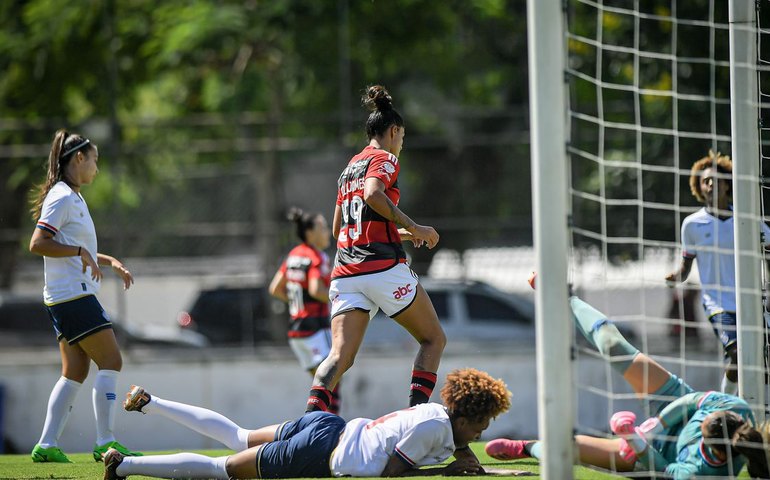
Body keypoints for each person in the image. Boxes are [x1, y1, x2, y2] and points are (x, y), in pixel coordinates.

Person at [486, 274, 769, 479]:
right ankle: (563, 294)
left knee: (566, 448)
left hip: (652, 453)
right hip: (673, 403)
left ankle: (527, 447)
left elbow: (661, 469)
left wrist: (636, 439)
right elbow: (693, 401)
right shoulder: (736, 410)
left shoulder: (697, 474)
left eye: (703, 428)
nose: (704, 421)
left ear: (714, 451)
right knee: (614, 347)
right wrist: (657, 424)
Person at [304, 85, 446, 413]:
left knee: (339, 357)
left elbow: (341, 229)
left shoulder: (348, 169)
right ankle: (414, 420)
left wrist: (400, 235)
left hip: (345, 275)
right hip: (382, 270)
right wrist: (415, 227)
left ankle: (308, 425)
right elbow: (372, 194)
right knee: (433, 339)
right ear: (394, 131)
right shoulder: (384, 159)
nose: (401, 145)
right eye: (402, 137)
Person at [102, 368, 511, 479]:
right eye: (483, 423)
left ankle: (151, 403)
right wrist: (446, 472)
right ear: (467, 416)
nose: (483, 432)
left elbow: (453, 440)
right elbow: (390, 474)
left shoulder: (437, 416)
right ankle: (125, 466)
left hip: (327, 425)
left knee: (238, 436)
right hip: (321, 453)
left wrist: (464, 456)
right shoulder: (437, 430)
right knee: (221, 470)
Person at [27, 130, 142, 463]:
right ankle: (106, 441)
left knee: (75, 370)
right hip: (73, 297)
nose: (96, 168)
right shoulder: (62, 196)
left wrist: (108, 261)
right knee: (112, 361)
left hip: (64, 298)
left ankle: (47, 445)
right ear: (79, 158)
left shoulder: (72, 196)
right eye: (95, 160)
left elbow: (80, 249)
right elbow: (38, 243)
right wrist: (80, 251)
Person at [665, 150, 770, 393]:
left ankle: (746, 410)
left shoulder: (746, 218)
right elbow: (686, 266)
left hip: (751, 302)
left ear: (727, 185)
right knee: (737, 352)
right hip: (718, 304)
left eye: (716, 180)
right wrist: (675, 277)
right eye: (705, 181)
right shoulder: (692, 224)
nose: (711, 184)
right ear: (699, 187)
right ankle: (724, 406)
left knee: (757, 362)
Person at [268, 208, 340, 413]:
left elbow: (275, 288)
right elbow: (316, 290)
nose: (327, 232)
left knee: (320, 385)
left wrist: (295, 303)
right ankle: (328, 431)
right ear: (310, 233)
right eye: (323, 228)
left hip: (296, 332)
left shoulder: (294, 255)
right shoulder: (317, 257)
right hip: (315, 328)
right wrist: (339, 297)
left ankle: (319, 426)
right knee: (331, 383)